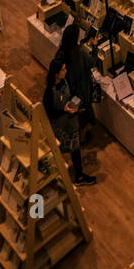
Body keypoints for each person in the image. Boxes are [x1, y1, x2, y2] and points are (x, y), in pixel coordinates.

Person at [43, 56, 95, 186]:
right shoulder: (49, 92)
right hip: (60, 127)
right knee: (60, 151)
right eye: (63, 69)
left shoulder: (64, 81)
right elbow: (48, 113)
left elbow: (69, 95)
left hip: (71, 123)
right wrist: (64, 110)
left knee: (75, 149)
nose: (65, 71)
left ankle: (78, 176)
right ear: (56, 73)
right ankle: (62, 177)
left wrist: (73, 104)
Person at [57, 21, 96, 128]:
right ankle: (83, 133)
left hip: (69, 89)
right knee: (85, 110)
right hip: (82, 87)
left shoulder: (61, 51)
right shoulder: (80, 52)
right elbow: (92, 62)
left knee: (75, 110)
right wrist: (94, 48)